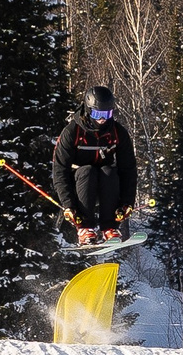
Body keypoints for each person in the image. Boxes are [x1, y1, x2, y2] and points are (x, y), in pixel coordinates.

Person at [52, 85, 137, 245]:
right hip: (79, 185)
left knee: (109, 171)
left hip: (106, 185)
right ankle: (85, 228)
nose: (102, 119)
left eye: (107, 114)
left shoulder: (117, 133)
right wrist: (68, 204)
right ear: (88, 110)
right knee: (87, 171)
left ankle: (110, 227)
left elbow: (129, 170)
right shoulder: (72, 132)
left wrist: (127, 203)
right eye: (97, 114)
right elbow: (60, 170)